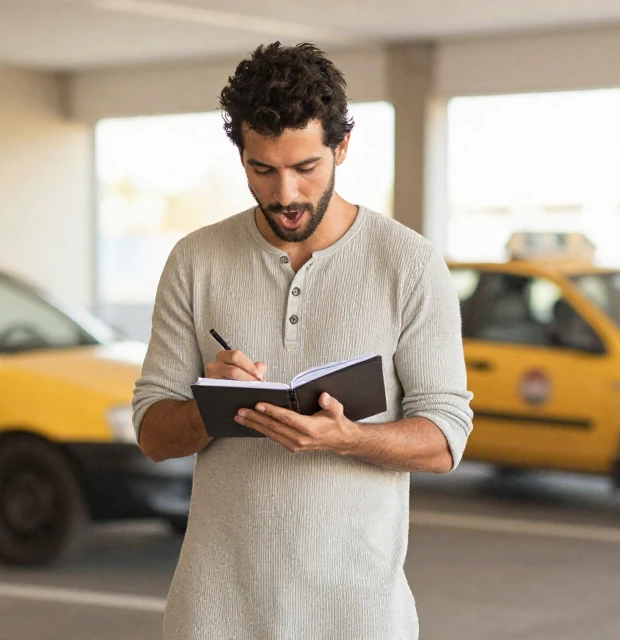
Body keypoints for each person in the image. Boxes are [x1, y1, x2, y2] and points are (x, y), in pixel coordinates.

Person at [131, 41, 474, 640]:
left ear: (342, 146)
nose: (285, 194)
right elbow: (153, 433)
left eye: (305, 167)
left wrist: (346, 439)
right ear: (241, 156)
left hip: (359, 617)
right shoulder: (195, 260)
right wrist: (212, 406)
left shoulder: (410, 265)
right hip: (215, 617)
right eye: (262, 170)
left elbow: (446, 438)